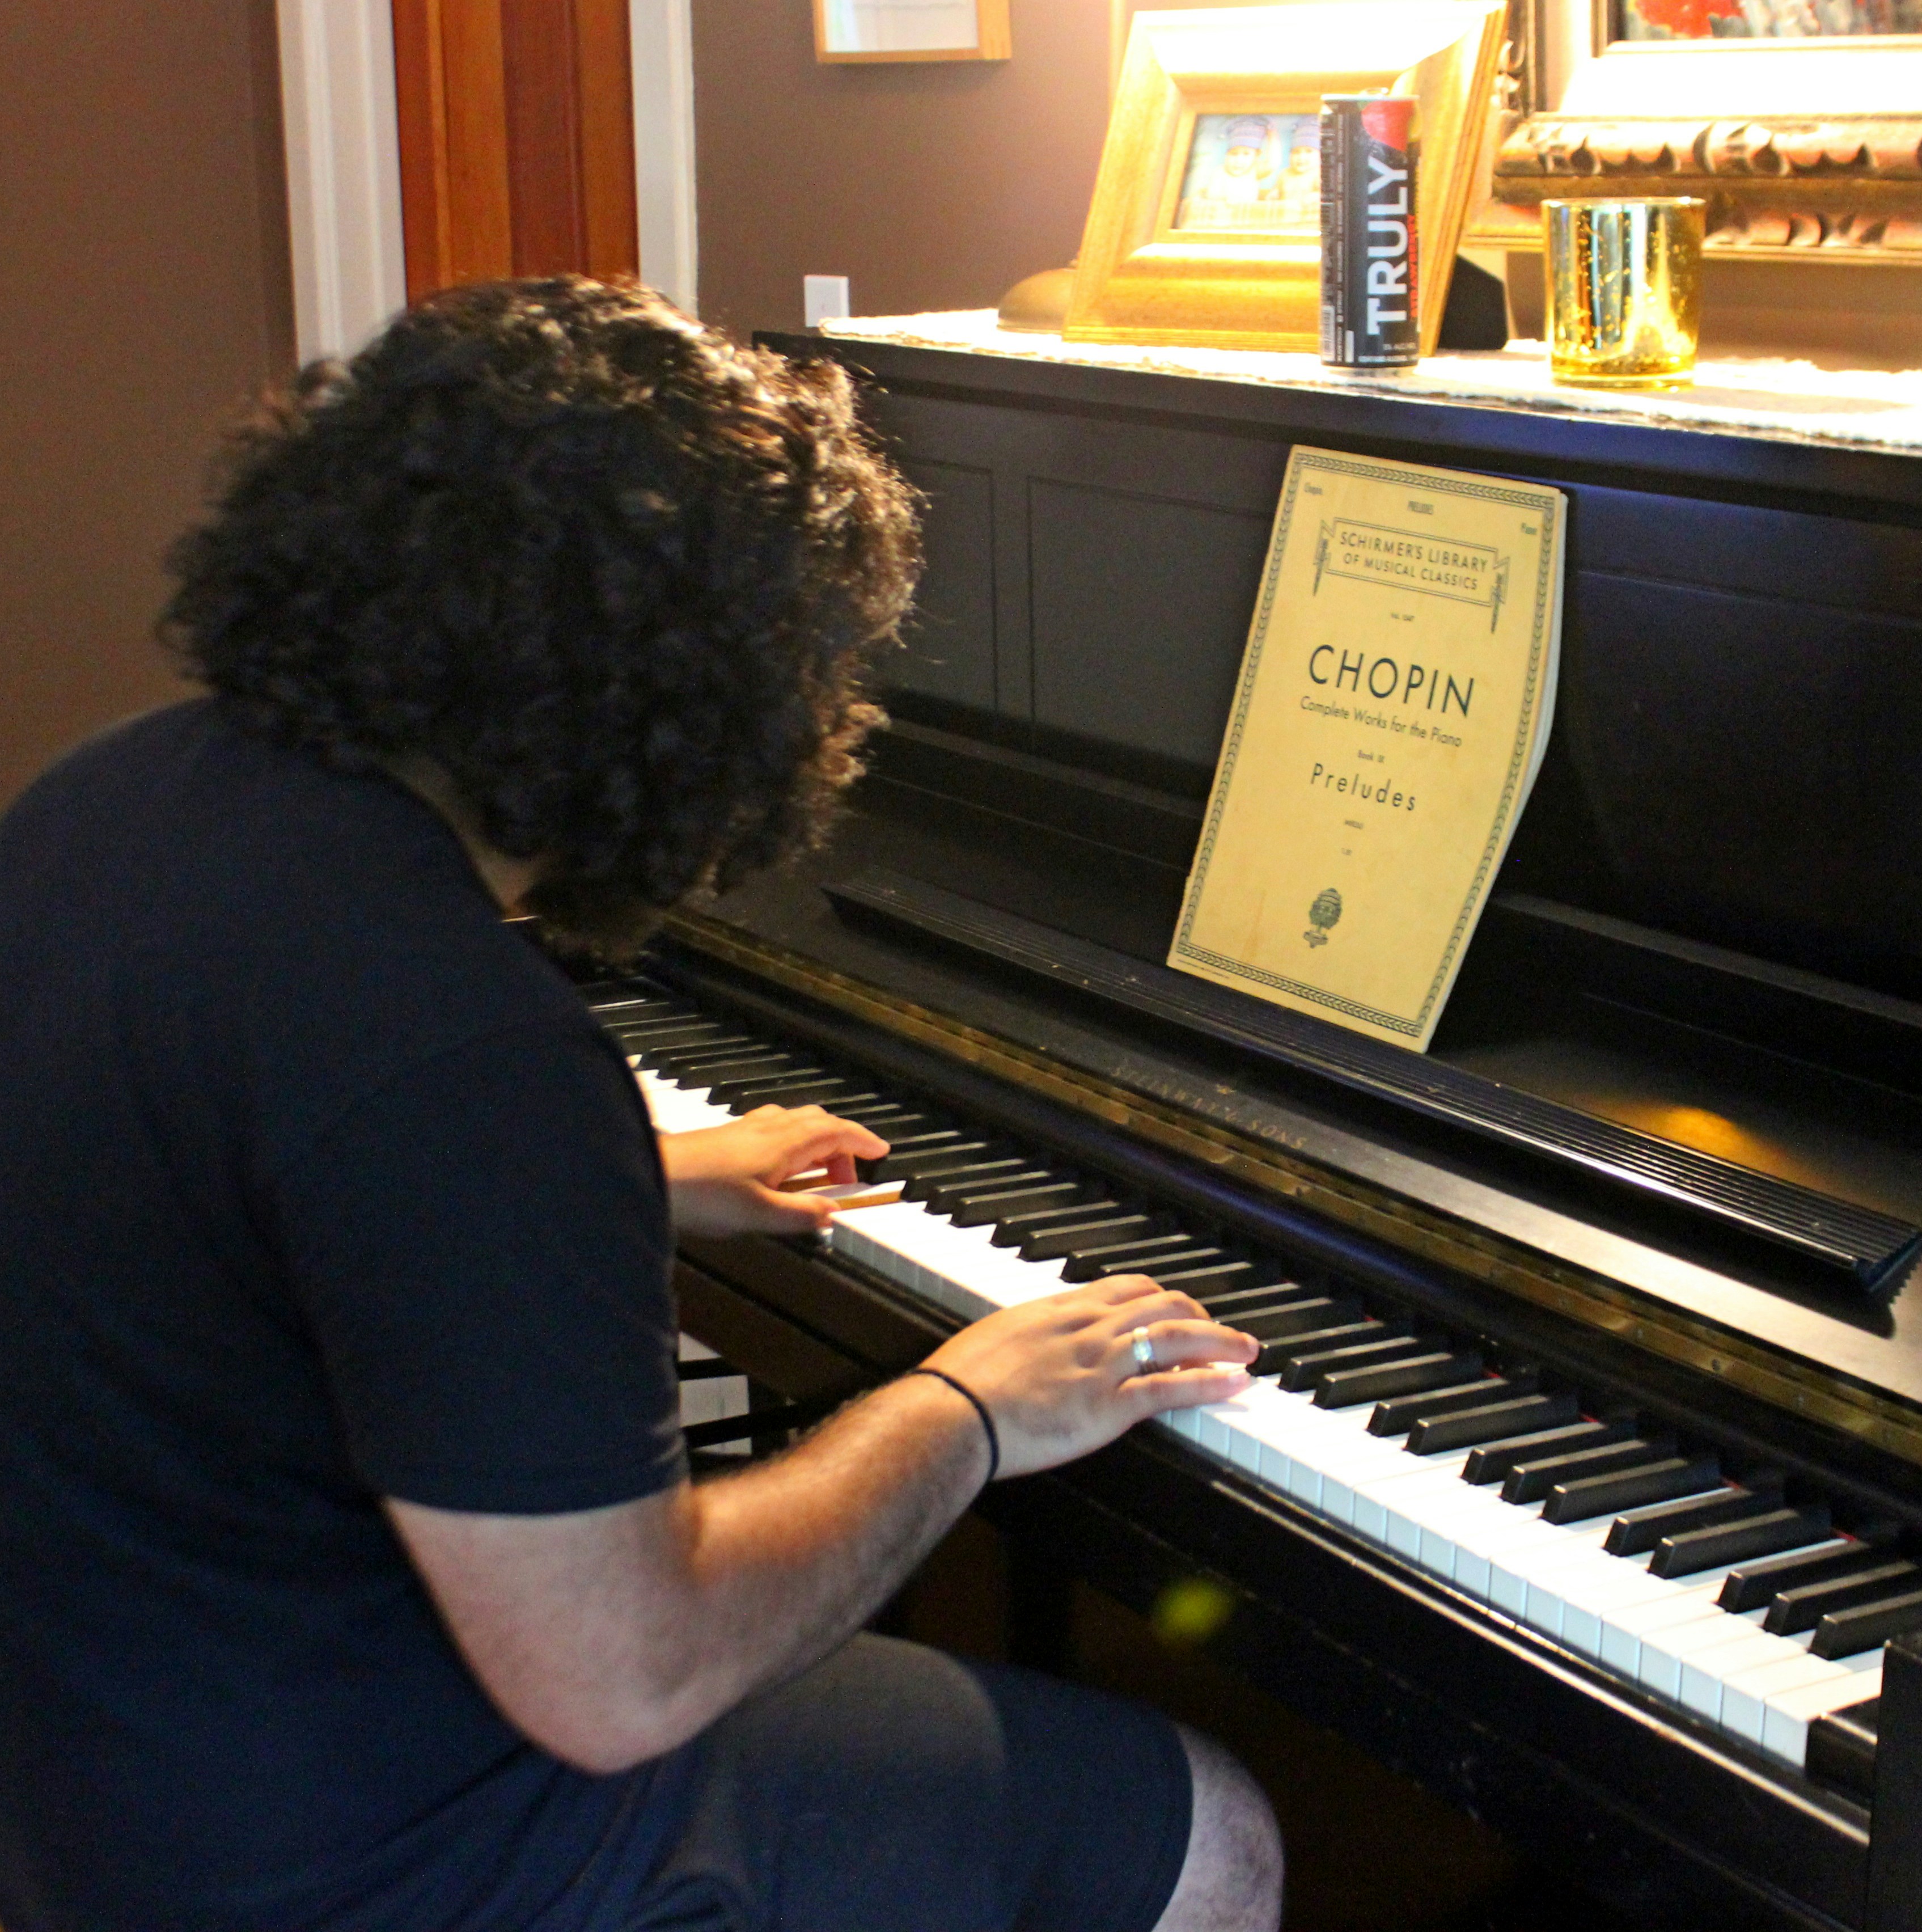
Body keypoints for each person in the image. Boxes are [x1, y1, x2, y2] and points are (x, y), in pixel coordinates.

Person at [0, 277, 1282, 1932]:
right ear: (697, 705)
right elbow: (621, 1680)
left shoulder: (112, 797)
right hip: (349, 1865)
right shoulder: (468, 1043)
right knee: (1216, 1829)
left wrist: (653, 1178)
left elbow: (246, 1182)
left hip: (92, 1765)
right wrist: (963, 1411)